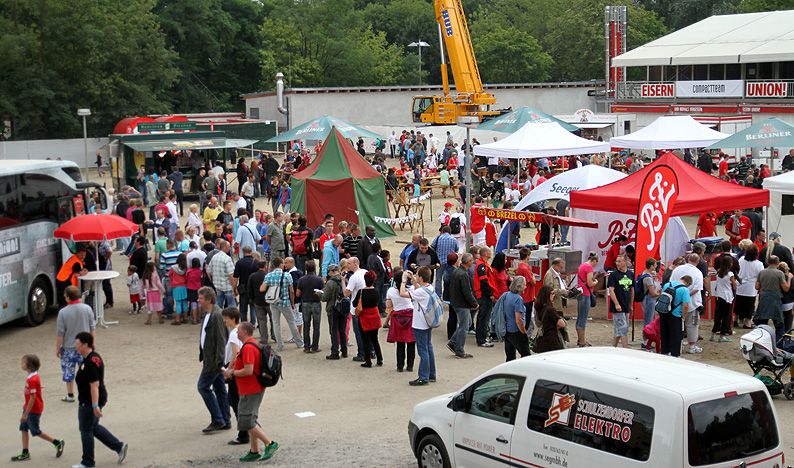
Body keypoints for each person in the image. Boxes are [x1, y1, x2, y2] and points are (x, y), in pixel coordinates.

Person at [222, 323, 279, 462]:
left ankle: (270, 443)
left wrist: (232, 372)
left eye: (238, 331)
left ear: (244, 332)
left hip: (250, 389)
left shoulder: (248, 348)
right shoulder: (251, 344)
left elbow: (248, 370)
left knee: (246, 421)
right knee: (250, 419)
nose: (236, 333)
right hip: (251, 388)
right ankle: (254, 451)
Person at [72, 332, 127, 468]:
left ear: (85, 345)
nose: (75, 346)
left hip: (89, 401)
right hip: (93, 398)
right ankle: (119, 446)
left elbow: (94, 385)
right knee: (93, 427)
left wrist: (94, 405)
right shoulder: (91, 357)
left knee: (86, 430)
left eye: (77, 344)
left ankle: (88, 462)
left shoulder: (90, 362)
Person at [11, 354, 65, 462]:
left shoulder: (32, 379)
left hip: (33, 410)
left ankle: (57, 442)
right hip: (28, 407)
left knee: (35, 431)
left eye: (23, 362)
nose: (21, 364)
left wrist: (25, 414)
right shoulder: (31, 376)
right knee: (23, 428)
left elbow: (33, 398)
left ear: (30, 366)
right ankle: (25, 452)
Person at [196, 287, 231, 433]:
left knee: (203, 387)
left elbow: (221, 340)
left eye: (200, 298)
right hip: (211, 359)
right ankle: (225, 419)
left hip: (214, 361)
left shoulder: (216, 315)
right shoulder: (210, 313)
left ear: (208, 300)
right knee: (219, 389)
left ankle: (218, 419)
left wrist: (219, 362)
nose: (198, 300)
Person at [56, 286, 96, 403]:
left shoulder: (63, 312)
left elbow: (60, 333)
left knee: (68, 372)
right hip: (84, 347)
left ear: (68, 297)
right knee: (86, 370)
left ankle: (70, 394)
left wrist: (58, 348)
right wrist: (92, 343)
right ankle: (88, 392)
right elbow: (92, 328)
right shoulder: (87, 309)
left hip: (69, 347)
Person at [400, 267, 436, 386]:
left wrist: (404, 280)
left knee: (423, 351)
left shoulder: (421, 292)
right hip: (427, 322)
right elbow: (420, 289)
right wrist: (414, 279)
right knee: (428, 348)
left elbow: (402, 293)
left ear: (421, 277)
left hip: (420, 324)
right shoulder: (429, 288)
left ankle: (423, 377)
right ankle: (431, 374)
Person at [260, 257, 304, 351]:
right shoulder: (287, 275)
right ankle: (299, 342)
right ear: (281, 264)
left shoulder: (269, 275)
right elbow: (291, 291)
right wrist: (292, 302)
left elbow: (262, 289)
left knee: (276, 323)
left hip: (273, 302)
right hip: (285, 302)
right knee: (291, 322)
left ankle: (280, 345)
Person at [220, 307, 248, 447]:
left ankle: (245, 432)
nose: (224, 321)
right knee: (236, 400)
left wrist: (229, 370)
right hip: (239, 368)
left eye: (226, 319)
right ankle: (248, 428)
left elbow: (235, 353)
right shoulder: (240, 331)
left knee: (235, 401)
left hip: (234, 369)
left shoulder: (233, 334)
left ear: (232, 319)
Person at [671, 254, 705, 354]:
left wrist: (679, 296)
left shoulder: (677, 270)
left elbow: (671, 283)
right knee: (692, 325)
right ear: (697, 262)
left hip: (676, 303)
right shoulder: (698, 272)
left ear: (688, 259)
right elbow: (697, 288)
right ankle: (692, 346)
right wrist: (686, 295)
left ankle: (679, 343)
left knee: (678, 324)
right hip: (692, 303)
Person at [385, 267, 417, 370]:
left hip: (398, 316)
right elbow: (419, 289)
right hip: (410, 316)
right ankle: (410, 365)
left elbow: (388, 305)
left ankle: (400, 365)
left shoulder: (390, 291)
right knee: (411, 342)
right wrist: (413, 278)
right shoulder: (411, 289)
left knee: (400, 342)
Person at [755, 255, 792, 342]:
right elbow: (786, 288)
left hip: (764, 299)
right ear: (778, 263)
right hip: (775, 300)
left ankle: (762, 342)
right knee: (779, 325)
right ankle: (778, 344)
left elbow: (757, 287)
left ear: (768, 262)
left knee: (762, 324)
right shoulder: (779, 273)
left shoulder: (762, 272)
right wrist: (789, 278)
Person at [447, 254, 478, 359]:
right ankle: (459, 350)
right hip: (462, 304)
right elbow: (467, 292)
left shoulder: (456, 271)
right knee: (464, 327)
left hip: (456, 302)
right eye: (472, 260)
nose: (473, 262)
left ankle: (453, 342)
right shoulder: (464, 274)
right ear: (468, 261)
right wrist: (474, 303)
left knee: (467, 323)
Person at [355, 271, 384, 368]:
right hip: (374, 315)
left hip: (364, 317)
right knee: (375, 339)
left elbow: (354, 303)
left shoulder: (361, 292)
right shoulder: (376, 291)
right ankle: (379, 359)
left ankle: (368, 361)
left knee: (365, 340)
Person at [500, 276, 532, 361]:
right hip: (517, 331)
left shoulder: (507, 295)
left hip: (507, 330)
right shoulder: (518, 299)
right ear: (520, 286)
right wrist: (524, 332)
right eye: (524, 285)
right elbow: (518, 319)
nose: (525, 287)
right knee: (526, 355)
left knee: (510, 357)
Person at [319, 264, 347, 359]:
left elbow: (325, 297)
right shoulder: (344, 280)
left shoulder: (330, 283)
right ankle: (344, 351)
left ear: (331, 271)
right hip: (343, 308)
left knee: (334, 331)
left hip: (333, 309)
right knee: (342, 330)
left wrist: (319, 294)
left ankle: (335, 352)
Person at [296, 260, 324, 353]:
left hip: (305, 303)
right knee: (316, 326)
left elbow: (298, 294)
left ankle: (307, 346)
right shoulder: (319, 279)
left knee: (306, 325)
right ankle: (315, 346)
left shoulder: (302, 279)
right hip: (316, 303)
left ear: (306, 269)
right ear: (315, 268)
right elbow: (323, 291)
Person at [659, 276, 691, 357]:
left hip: (664, 313)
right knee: (676, 337)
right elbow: (685, 306)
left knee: (664, 335)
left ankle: (664, 352)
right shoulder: (685, 289)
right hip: (676, 315)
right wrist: (683, 317)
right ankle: (675, 355)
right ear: (688, 283)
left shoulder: (667, 285)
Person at [607, 254, 634, 348]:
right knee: (623, 327)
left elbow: (632, 290)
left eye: (619, 261)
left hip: (626, 304)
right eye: (616, 261)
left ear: (625, 262)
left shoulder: (630, 274)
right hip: (618, 305)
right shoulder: (614, 275)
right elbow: (611, 290)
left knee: (620, 328)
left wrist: (631, 304)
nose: (617, 263)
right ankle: (625, 348)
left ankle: (614, 347)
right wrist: (616, 304)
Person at [737, 244, 764, 329]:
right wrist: (760, 287)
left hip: (740, 285)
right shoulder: (759, 264)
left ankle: (736, 320)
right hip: (751, 287)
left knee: (739, 303)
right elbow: (761, 276)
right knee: (749, 306)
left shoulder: (741, 259)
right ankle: (747, 322)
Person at [532, 285, 566, 353]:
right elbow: (562, 324)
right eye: (552, 293)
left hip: (542, 337)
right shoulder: (550, 310)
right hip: (551, 339)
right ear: (547, 295)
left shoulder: (538, 307)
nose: (554, 295)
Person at [575, 252, 599, 347]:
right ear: (594, 261)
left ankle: (580, 339)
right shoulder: (589, 267)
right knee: (583, 319)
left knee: (580, 317)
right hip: (585, 293)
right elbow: (590, 283)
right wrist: (596, 282)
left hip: (580, 292)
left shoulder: (582, 265)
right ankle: (582, 342)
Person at [712, 255, 737, 342]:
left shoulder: (719, 272)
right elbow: (735, 285)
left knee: (719, 315)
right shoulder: (730, 274)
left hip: (719, 295)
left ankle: (713, 333)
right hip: (727, 296)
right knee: (726, 316)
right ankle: (722, 335)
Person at [638, 258, 661, 346]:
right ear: (651, 266)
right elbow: (652, 293)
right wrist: (659, 294)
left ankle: (646, 341)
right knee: (648, 320)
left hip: (647, 299)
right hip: (649, 300)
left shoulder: (644, 274)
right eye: (655, 264)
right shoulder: (648, 278)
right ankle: (645, 342)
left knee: (648, 319)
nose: (656, 266)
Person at [208, 240, 237, 308]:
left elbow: (209, 271)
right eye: (228, 247)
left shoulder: (214, 257)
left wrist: (215, 279)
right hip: (228, 287)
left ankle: (218, 315)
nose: (229, 248)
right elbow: (231, 275)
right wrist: (234, 288)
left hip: (218, 286)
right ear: (224, 247)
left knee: (218, 305)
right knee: (232, 306)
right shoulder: (227, 259)